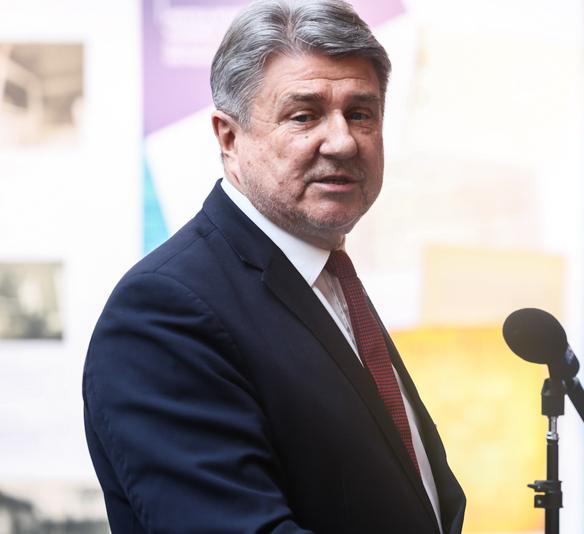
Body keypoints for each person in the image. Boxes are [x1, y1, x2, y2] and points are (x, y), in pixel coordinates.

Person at [81, 0, 466, 533]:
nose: (343, 141)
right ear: (229, 139)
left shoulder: (326, 277)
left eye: (361, 113)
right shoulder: (163, 312)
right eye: (303, 115)